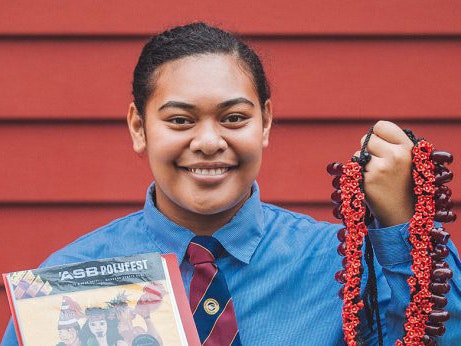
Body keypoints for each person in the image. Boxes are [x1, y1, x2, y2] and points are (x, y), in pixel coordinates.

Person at [3, 22, 461, 345]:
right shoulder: (63, 288)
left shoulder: (345, 266)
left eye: (234, 118)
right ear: (139, 128)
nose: (207, 142)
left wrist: (404, 224)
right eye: (180, 120)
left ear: (265, 123)